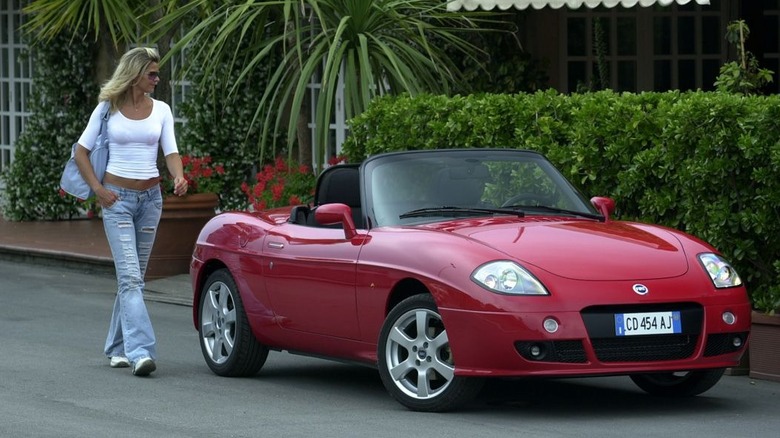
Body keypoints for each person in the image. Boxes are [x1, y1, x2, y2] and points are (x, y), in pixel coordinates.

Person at [74, 47, 188, 377]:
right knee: (131, 278)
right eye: (152, 74)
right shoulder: (107, 108)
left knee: (132, 278)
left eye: (157, 73)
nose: (157, 78)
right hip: (117, 201)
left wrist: (178, 176)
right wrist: (98, 190)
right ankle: (140, 352)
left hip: (151, 201)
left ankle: (116, 347)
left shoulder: (162, 110)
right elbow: (81, 152)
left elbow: (171, 151)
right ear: (135, 74)